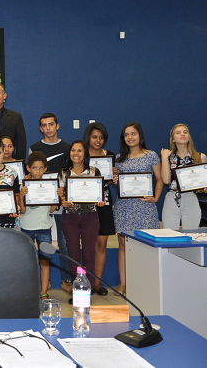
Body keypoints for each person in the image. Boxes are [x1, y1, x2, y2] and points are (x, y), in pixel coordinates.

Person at [113, 122, 162, 294]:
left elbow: (160, 179)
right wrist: (116, 181)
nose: (130, 137)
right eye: (126, 135)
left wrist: (156, 197)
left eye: (133, 133)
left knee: (146, 244)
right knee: (123, 245)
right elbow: (119, 183)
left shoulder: (151, 156)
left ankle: (146, 283)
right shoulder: (119, 158)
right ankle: (123, 283)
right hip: (124, 207)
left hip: (145, 206)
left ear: (140, 135)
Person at [29, 113, 72, 293]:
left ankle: (66, 280)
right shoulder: (34, 148)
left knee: (64, 243)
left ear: (57, 126)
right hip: (39, 206)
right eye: (44, 125)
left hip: (59, 202)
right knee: (39, 242)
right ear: (40, 128)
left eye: (51, 124)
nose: (48, 128)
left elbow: (70, 176)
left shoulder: (67, 148)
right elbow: (29, 176)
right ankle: (43, 283)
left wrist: (63, 195)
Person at [58, 140, 104, 300]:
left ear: (85, 153)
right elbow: (61, 196)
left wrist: (101, 200)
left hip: (90, 218)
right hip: (69, 218)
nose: (75, 153)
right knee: (73, 255)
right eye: (73, 150)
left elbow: (102, 193)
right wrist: (63, 201)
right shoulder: (63, 172)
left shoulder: (94, 171)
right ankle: (77, 291)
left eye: (79, 150)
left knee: (89, 254)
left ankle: (87, 292)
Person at [84, 122, 118, 296]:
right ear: (88, 138)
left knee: (102, 244)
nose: (98, 140)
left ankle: (97, 283)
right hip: (85, 204)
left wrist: (114, 176)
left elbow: (111, 181)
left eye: (101, 137)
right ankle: (87, 282)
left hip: (104, 203)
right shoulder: (81, 154)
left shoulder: (109, 156)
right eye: (94, 137)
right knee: (88, 245)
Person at [160, 124, 207, 230]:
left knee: (191, 234)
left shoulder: (200, 157)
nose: (182, 134)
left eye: (185, 132)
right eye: (178, 133)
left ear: (189, 136)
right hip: (172, 199)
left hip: (191, 199)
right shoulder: (169, 157)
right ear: (173, 139)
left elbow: (206, 182)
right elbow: (166, 180)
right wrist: (164, 158)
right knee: (169, 235)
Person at [19, 151, 56, 298]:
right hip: (27, 226)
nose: (38, 171)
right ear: (28, 168)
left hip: (44, 227)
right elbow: (22, 210)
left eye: (41, 168)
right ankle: (28, 291)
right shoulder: (24, 186)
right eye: (34, 168)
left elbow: (52, 209)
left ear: (45, 168)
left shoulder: (50, 185)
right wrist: (21, 196)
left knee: (45, 261)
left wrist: (58, 197)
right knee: (27, 261)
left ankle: (44, 292)